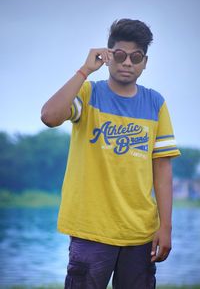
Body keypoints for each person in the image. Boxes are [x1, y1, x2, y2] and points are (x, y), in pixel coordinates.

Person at [41, 18, 180, 289]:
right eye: (120, 55)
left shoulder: (155, 103)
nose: (127, 62)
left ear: (145, 62)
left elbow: (162, 169)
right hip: (91, 229)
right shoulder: (88, 93)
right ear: (107, 55)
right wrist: (84, 70)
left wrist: (166, 227)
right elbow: (49, 116)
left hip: (140, 233)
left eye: (135, 56)